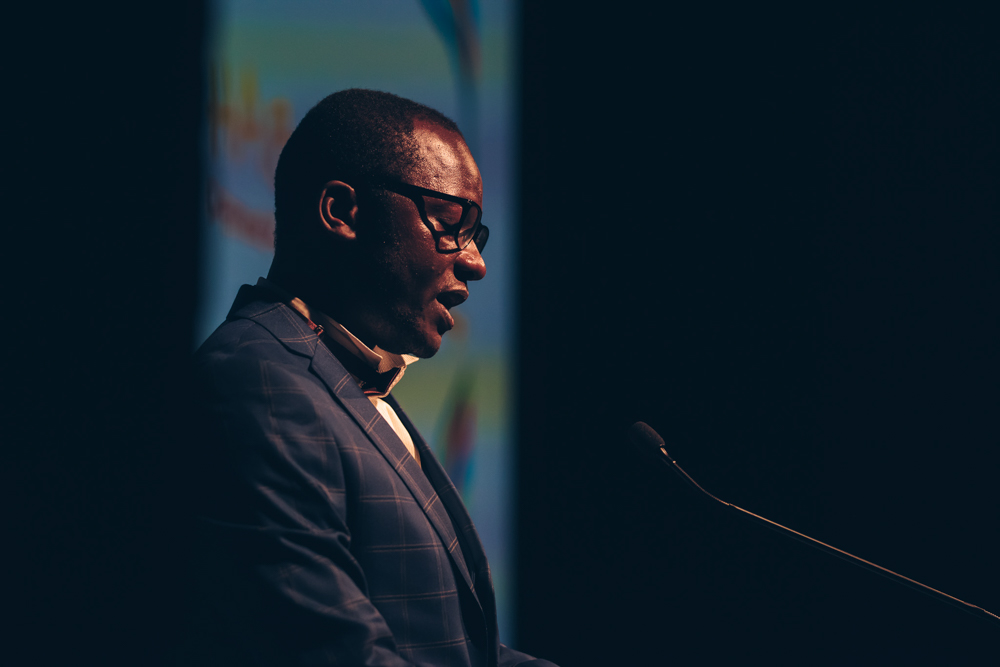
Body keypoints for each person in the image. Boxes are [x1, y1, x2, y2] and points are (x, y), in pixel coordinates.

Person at [185, 89, 557, 667]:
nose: (476, 263)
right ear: (342, 212)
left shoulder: (324, 375)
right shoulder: (257, 387)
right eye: (450, 220)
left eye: (475, 234)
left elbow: (458, 651)